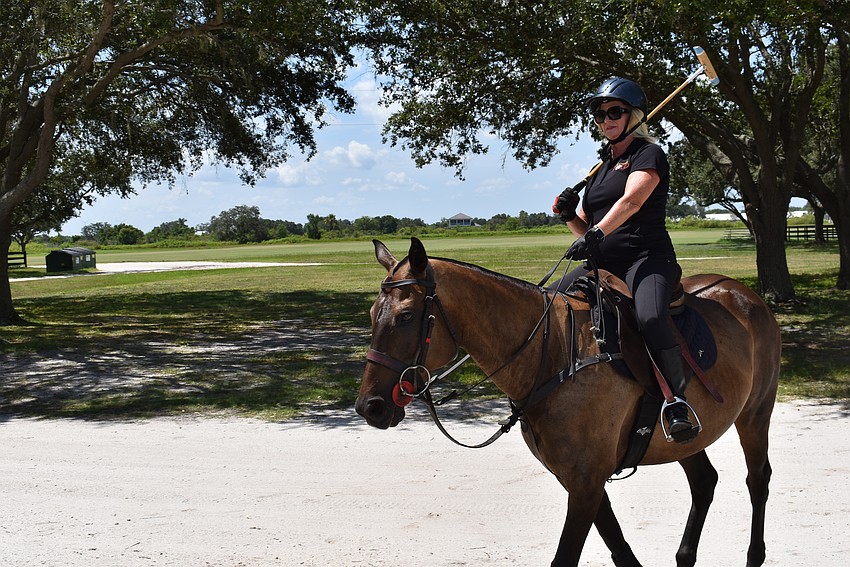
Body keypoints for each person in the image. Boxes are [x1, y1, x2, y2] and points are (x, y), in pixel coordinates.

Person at [551, 76, 699, 444]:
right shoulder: (601, 169)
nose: (606, 120)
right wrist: (571, 216)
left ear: (635, 115)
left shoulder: (649, 155)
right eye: (599, 114)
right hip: (604, 267)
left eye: (614, 111)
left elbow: (631, 202)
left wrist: (597, 234)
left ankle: (677, 401)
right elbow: (587, 229)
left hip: (646, 261)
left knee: (650, 316)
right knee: (548, 304)